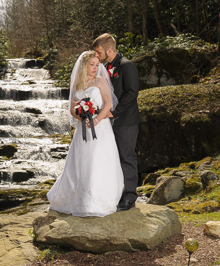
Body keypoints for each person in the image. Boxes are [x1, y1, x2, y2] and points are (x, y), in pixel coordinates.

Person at [47, 51, 124, 217]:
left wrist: (95, 121)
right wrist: (81, 116)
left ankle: (97, 198)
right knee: (80, 161)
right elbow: (72, 108)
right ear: (84, 65)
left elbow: (108, 104)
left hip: (100, 129)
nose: (95, 68)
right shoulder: (77, 83)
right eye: (92, 64)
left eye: (97, 65)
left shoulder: (101, 81)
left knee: (97, 160)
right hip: (83, 130)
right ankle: (76, 197)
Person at [93, 33, 140, 211]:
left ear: (109, 50)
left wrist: (113, 112)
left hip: (126, 121)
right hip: (108, 123)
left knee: (127, 157)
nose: (96, 55)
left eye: (98, 52)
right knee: (112, 158)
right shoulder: (105, 67)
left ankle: (129, 196)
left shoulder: (127, 66)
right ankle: (115, 193)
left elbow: (132, 93)